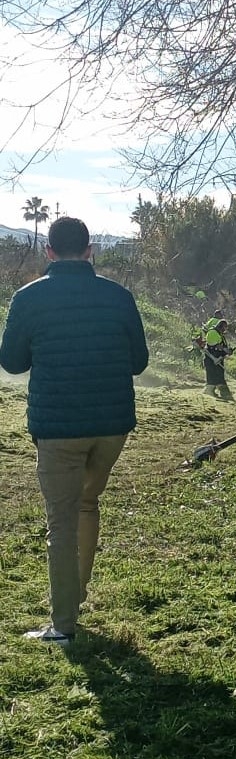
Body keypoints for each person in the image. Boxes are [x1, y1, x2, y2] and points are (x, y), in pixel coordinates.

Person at [0, 217, 149, 646]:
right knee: (87, 502)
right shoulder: (119, 296)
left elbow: (11, 362)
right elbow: (138, 362)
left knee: (60, 522)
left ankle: (64, 623)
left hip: (57, 426)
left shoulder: (28, 298)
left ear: (48, 252)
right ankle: (77, 593)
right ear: (90, 251)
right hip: (111, 427)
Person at [200, 318, 233, 399]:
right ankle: (211, 392)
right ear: (221, 326)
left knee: (219, 376)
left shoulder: (220, 334)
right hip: (211, 359)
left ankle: (223, 393)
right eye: (225, 327)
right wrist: (224, 350)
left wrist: (227, 351)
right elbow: (213, 345)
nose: (225, 329)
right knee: (212, 377)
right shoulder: (212, 332)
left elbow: (221, 345)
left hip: (218, 359)